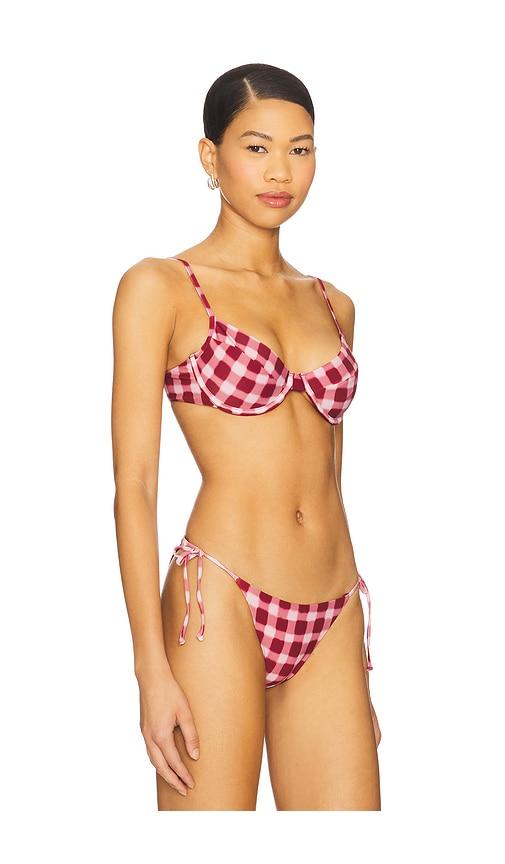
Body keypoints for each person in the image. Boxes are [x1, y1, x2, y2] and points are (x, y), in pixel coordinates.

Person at [111, 62, 381, 811]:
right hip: (218, 597)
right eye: (256, 147)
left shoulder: (332, 303)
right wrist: (150, 671)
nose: (280, 171)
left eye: (300, 149)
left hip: (333, 604)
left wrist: (357, 675)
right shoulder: (160, 286)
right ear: (211, 156)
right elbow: (134, 487)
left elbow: (329, 478)